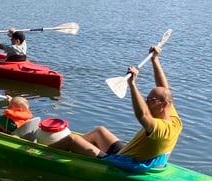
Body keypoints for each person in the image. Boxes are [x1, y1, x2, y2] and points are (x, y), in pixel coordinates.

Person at [49, 45, 181, 173]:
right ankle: (73, 154)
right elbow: (164, 89)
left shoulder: (161, 129)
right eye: (147, 98)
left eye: (150, 100)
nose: (146, 102)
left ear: (163, 105)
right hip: (128, 153)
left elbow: (143, 115)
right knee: (100, 131)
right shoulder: (173, 117)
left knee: (72, 139)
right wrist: (155, 60)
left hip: (127, 163)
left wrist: (132, 85)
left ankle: (43, 153)